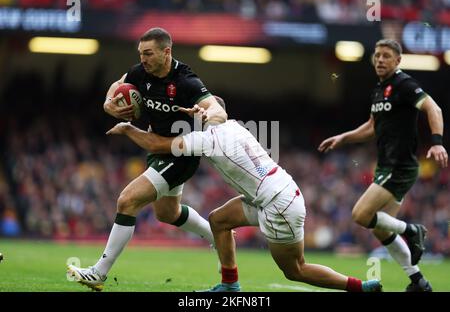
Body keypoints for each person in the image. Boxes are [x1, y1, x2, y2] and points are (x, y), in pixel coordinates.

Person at [105, 96, 382, 292]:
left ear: (214, 112)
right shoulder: (233, 126)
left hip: (278, 203)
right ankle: (230, 284)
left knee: (295, 269)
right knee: (218, 220)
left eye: (200, 107)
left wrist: (130, 129)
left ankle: (357, 287)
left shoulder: (209, 138)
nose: (194, 110)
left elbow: (159, 144)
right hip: (271, 194)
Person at [67, 27, 227, 291]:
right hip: (158, 150)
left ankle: (99, 272)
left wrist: (206, 114)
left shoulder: (187, 81)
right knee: (168, 213)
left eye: (149, 53)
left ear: (167, 52)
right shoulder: (140, 72)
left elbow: (218, 109)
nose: (143, 59)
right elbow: (117, 85)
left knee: (127, 200)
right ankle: (218, 236)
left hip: (181, 153)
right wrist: (108, 103)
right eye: (141, 53)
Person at [318, 39, 448, 292]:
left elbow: (434, 108)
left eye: (386, 56)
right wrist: (344, 137)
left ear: (397, 61)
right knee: (379, 228)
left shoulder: (404, 85)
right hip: (387, 166)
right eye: (377, 55)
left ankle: (412, 230)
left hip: (400, 166)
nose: (379, 59)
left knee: (360, 214)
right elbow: (372, 127)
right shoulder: (379, 90)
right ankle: (418, 281)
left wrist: (437, 142)